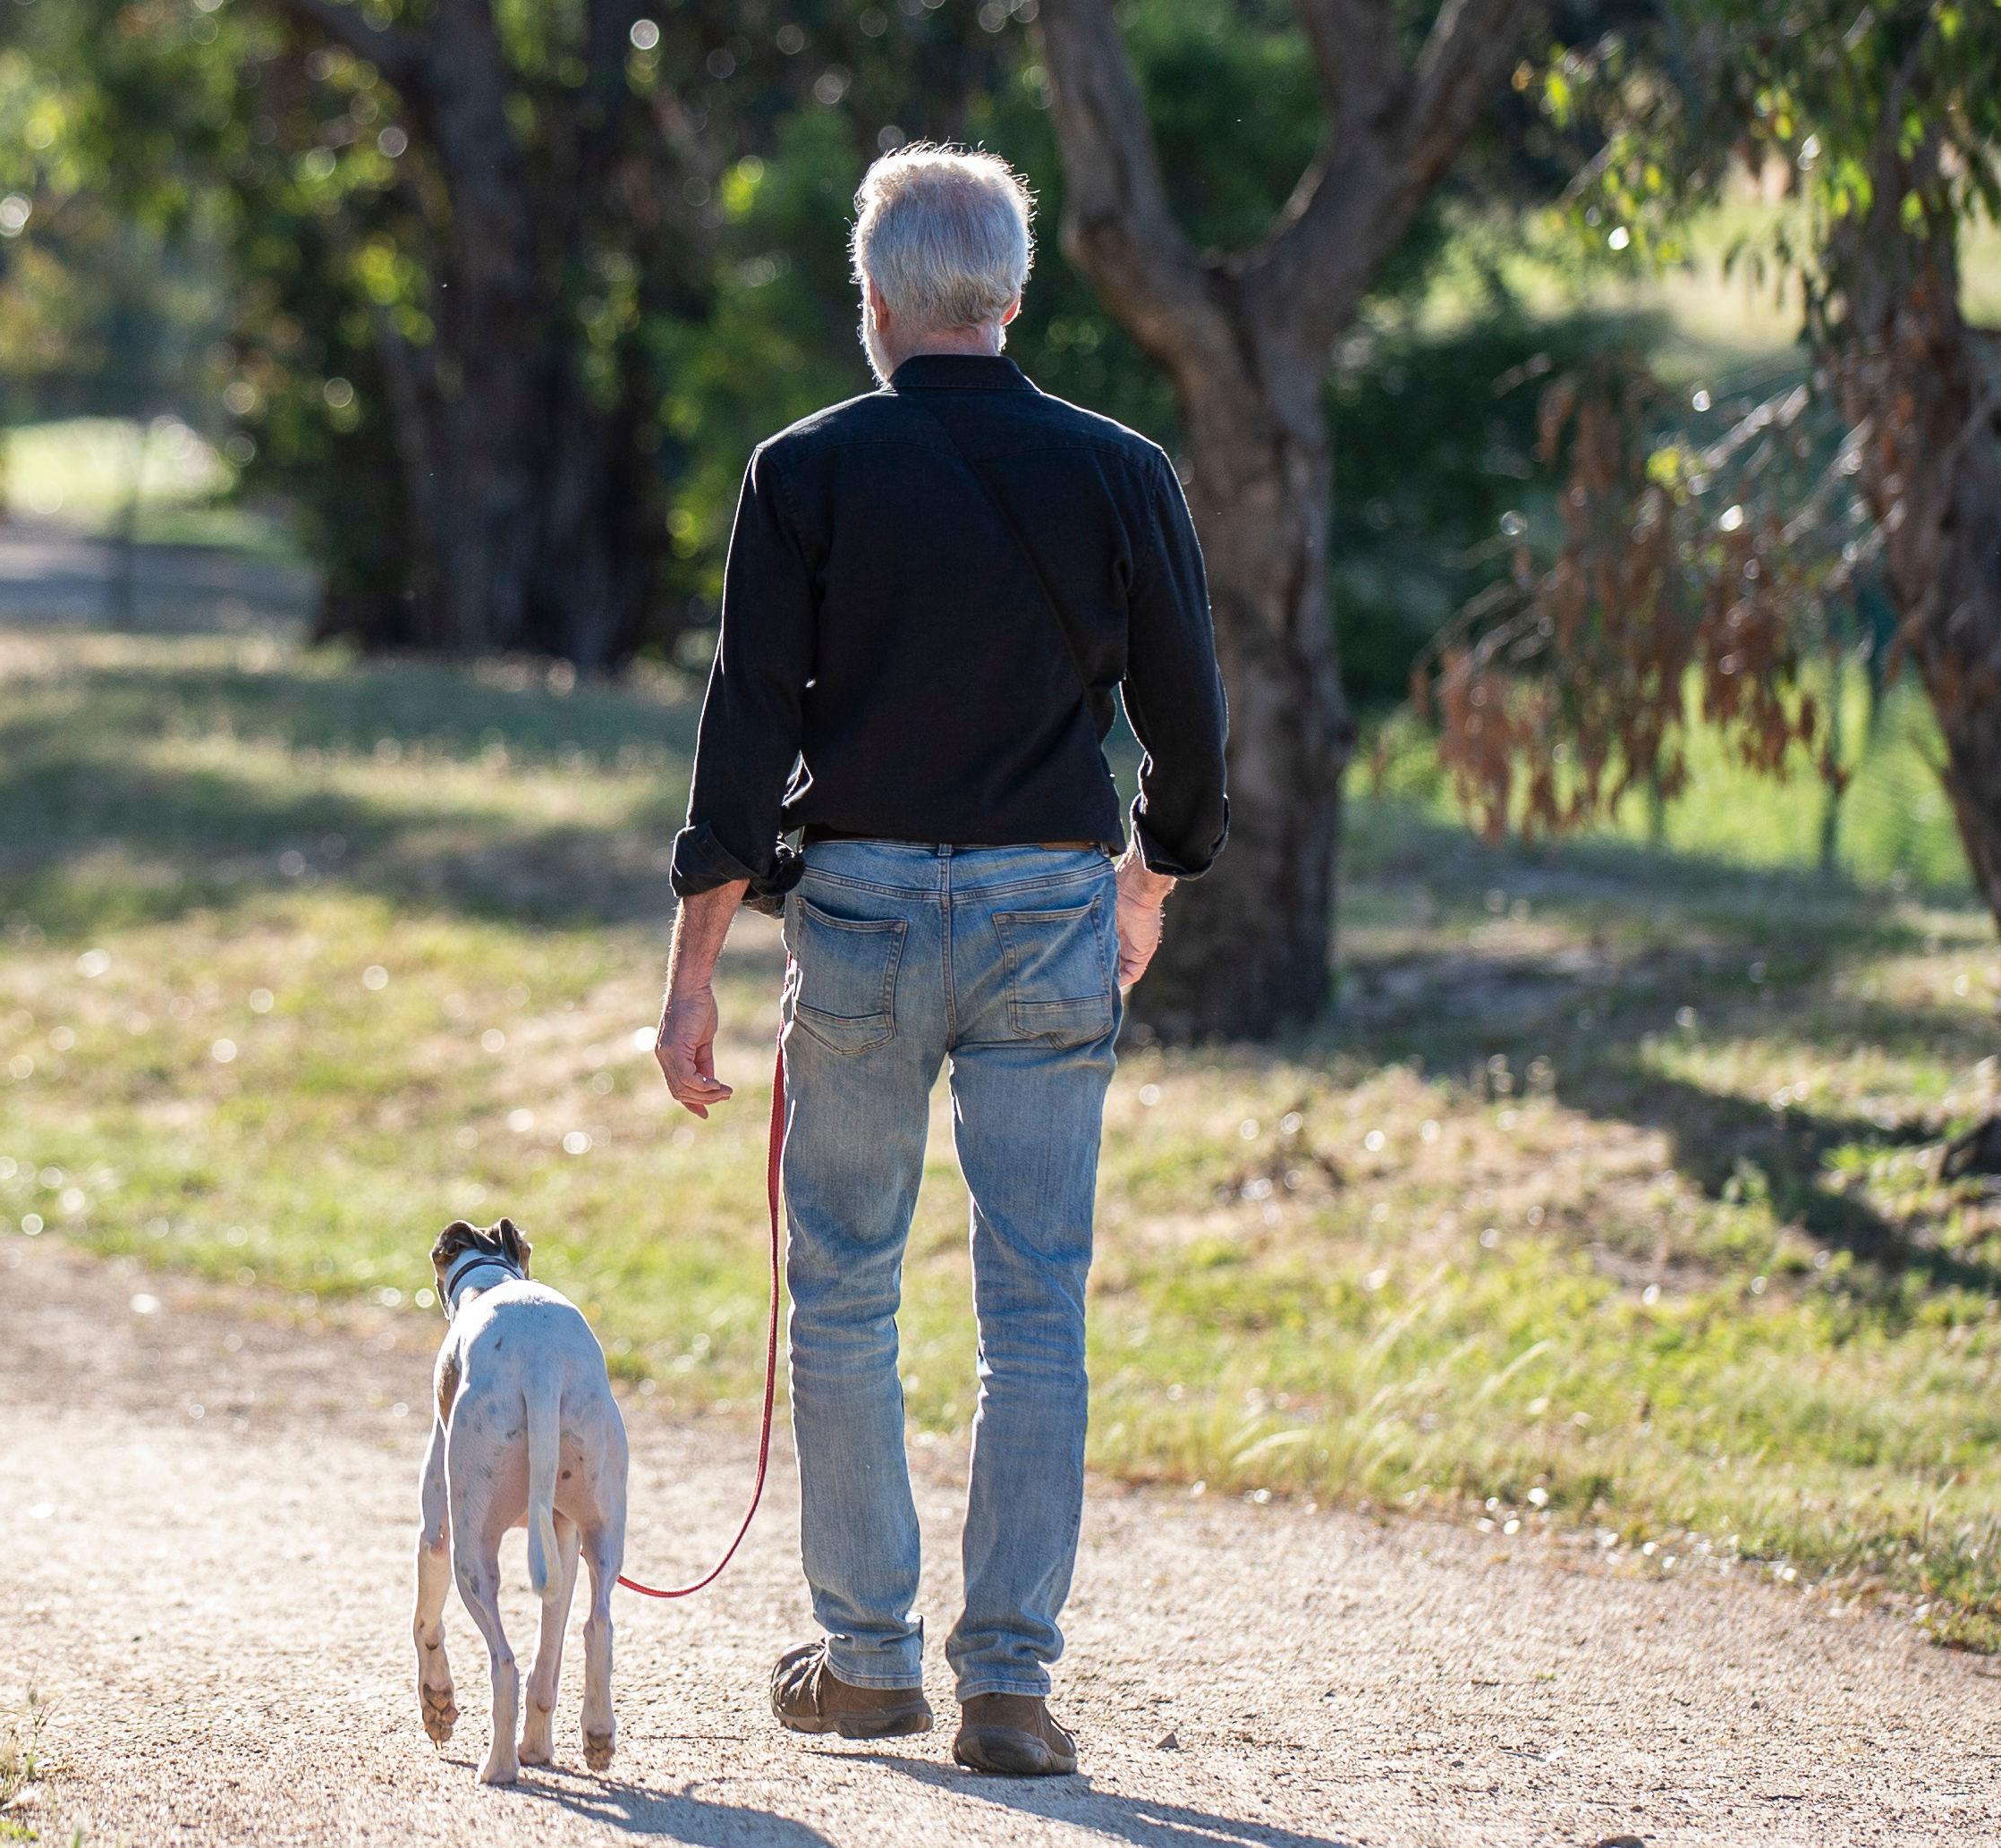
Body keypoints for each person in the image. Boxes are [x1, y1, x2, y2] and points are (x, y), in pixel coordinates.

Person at [649, 143, 1227, 1781]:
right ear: (1015, 300)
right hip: (1054, 906)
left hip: (866, 914)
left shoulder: (804, 470)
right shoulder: (1122, 471)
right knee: (1035, 1297)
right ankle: (1012, 1687)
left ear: (878, 303)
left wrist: (693, 968)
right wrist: (1147, 882)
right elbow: (1190, 735)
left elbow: (744, 741)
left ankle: (868, 1655)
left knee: (842, 1277)